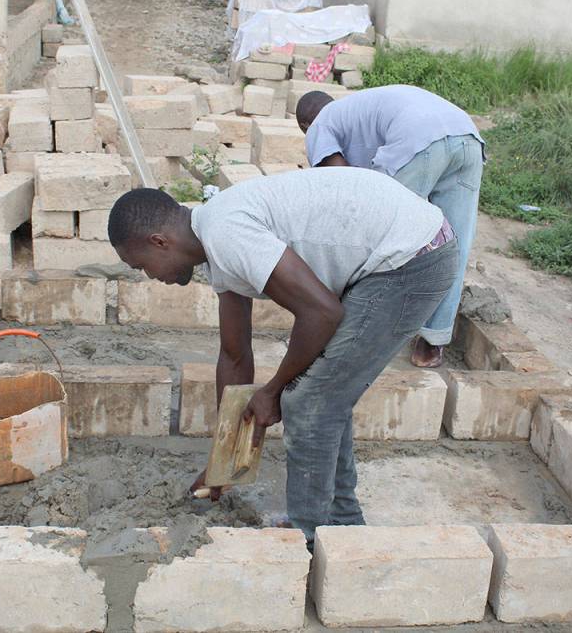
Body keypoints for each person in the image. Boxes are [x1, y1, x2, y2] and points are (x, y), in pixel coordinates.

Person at [107, 168, 460, 546]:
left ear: (159, 241)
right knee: (322, 394)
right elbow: (235, 355)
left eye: (141, 266)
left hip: (411, 259)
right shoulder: (214, 243)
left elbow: (321, 313)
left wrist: (273, 392)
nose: (148, 276)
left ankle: (309, 542)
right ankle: (341, 526)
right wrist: (224, 457)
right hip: (395, 255)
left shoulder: (226, 232)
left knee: (308, 400)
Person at [295, 84, 485, 368]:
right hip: (467, 135)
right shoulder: (357, 110)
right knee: (454, 243)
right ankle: (433, 343)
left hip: (418, 138)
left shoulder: (320, 124)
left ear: (304, 124)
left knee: (381, 237)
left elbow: (343, 186)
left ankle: (355, 333)